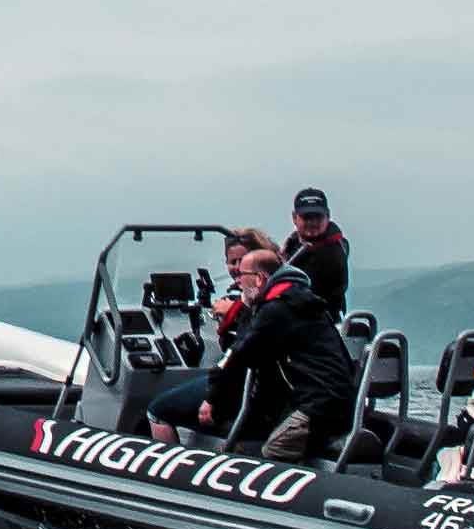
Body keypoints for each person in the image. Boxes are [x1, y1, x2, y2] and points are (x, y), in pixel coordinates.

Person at [199, 250, 357, 461]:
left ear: (259, 278)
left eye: (242, 275)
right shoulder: (306, 302)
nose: (238, 283)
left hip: (318, 406)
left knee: (273, 451)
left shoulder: (276, 310)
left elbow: (239, 354)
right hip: (341, 400)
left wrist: (212, 398)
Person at [148, 228, 281, 442]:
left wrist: (211, 398)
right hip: (246, 382)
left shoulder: (259, 305)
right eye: (232, 262)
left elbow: (236, 356)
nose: (237, 269)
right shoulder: (264, 296)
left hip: (245, 385)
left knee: (157, 410)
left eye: (243, 262)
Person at [280, 187, 351, 322]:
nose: (312, 223)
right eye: (306, 217)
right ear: (294, 218)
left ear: (328, 216)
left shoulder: (333, 251)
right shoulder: (293, 244)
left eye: (318, 217)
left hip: (318, 323)